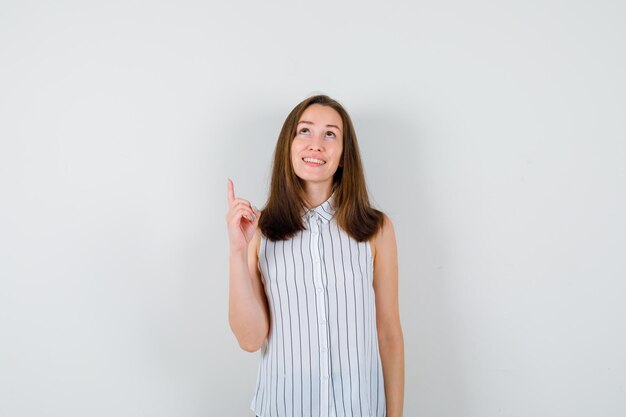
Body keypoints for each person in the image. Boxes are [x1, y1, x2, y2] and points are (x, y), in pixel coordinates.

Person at [226, 94, 404, 417]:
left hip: (359, 409)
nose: (316, 144)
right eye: (305, 131)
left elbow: (389, 332)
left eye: (330, 134)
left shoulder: (377, 229)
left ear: (344, 155)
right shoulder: (259, 230)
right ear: (289, 146)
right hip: (282, 409)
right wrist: (238, 253)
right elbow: (251, 340)